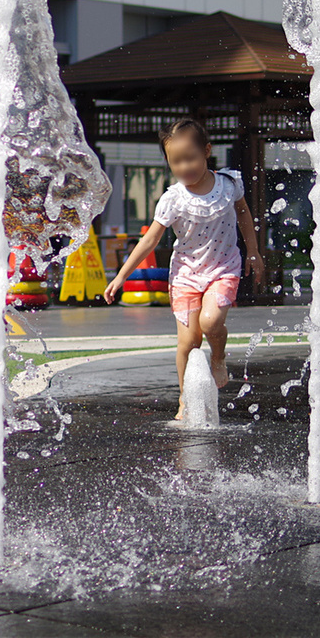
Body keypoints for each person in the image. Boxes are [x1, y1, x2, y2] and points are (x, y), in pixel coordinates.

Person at [104, 118, 265, 420]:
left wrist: (253, 252)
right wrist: (122, 276)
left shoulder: (229, 185)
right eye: (175, 162)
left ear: (207, 151)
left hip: (222, 267)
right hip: (186, 274)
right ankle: (184, 397)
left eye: (190, 158)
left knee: (211, 321)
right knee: (188, 342)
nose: (184, 168)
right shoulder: (173, 199)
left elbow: (243, 212)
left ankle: (218, 356)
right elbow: (150, 239)